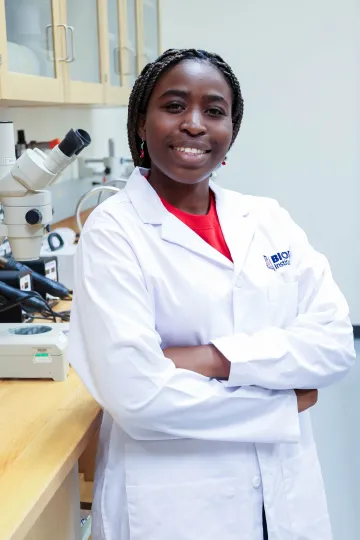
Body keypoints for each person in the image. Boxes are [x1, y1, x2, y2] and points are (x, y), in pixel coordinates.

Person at [68, 48, 355, 540]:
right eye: (174, 106)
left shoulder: (266, 218)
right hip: (178, 505)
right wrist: (281, 402)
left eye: (214, 111)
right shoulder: (114, 230)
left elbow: (333, 346)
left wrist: (209, 358)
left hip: (285, 498)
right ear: (141, 122)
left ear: (231, 130)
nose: (195, 124)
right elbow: (138, 396)